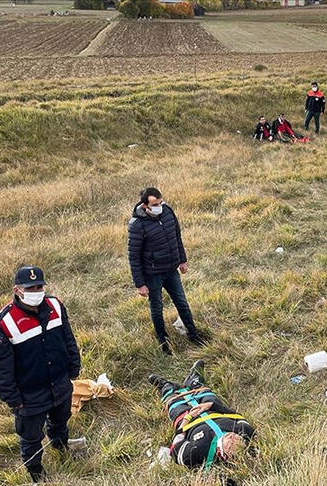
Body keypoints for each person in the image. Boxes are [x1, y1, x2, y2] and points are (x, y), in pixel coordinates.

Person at [0, 266, 81, 482]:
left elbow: (68, 338)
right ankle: (36, 472)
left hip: (60, 383)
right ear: (17, 290)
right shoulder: (2, 324)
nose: (36, 291)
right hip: (29, 394)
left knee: (60, 421)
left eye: (39, 286)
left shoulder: (55, 305)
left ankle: (60, 446)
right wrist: (13, 399)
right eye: (30, 288)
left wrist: (74, 367)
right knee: (30, 438)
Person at [128, 187, 205, 355]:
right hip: (153, 274)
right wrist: (140, 284)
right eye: (155, 204)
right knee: (157, 308)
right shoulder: (137, 225)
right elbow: (133, 256)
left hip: (171, 270)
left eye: (160, 202)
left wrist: (182, 260)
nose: (159, 206)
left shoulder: (168, 212)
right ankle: (163, 343)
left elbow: (176, 236)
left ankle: (194, 335)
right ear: (145, 205)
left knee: (182, 303)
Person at [149, 360, 255, 469]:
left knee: (174, 405)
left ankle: (166, 387)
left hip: (189, 421)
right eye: (239, 440)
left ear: (222, 453)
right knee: (206, 394)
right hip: (212, 411)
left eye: (231, 444)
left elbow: (175, 448)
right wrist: (212, 405)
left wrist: (186, 419)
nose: (233, 437)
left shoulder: (195, 454)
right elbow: (237, 416)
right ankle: (194, 381)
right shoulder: (246, 431)